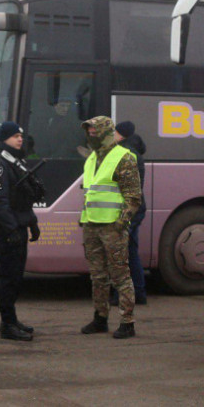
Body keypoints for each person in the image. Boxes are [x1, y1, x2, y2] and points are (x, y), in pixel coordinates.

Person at [79, 116, 141, 339]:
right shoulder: (91, 159)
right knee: (97, 276)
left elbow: (133, 197)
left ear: (107, 133)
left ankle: (127, 322)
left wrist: (122, 222)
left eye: (95, 132)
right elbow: (90, 193)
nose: (91, 136)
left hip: (112, 227)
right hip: (92, 225)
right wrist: (84, 220)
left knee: (121, 276)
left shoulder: (124, 157)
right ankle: (100, 318)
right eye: (89, 132)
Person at [0, 121, 44, 341]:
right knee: (9, 278)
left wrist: (32, 222)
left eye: (21, 135)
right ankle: (7, 324)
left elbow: (23, 199)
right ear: (4, 138)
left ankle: (12, 319)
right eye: (15, 136)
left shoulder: (16, 161)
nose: (20, 138)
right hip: (8, 229)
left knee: (17, 277)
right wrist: (11, 230)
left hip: (18, 226)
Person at [110, 121, 148, 305]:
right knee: (131, 252)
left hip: (127, 210)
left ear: (121, 134)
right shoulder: (134, 152)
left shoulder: (125, 154)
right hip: (135, 208)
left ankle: (121, 295)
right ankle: (139, 292)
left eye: (115, 132)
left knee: (121, 253)